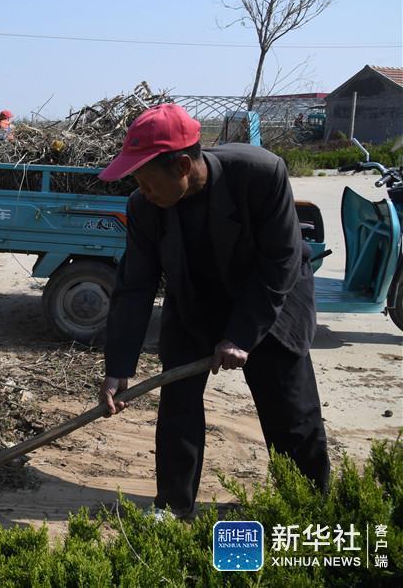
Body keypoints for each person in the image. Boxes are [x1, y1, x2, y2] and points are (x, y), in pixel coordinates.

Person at [97, 104, 329, 520]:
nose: (142, 190)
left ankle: (309, 507)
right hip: (195, 300)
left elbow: (281, 260)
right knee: (178, 405)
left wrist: (241, 334)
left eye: (148, 180)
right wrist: (118, 366)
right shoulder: (144, 206)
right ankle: (173, 505)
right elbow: (134, 286)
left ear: (183, 165)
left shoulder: (260, 174)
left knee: (289, 409)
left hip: (271, 299)